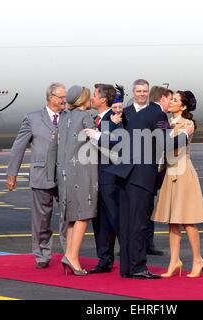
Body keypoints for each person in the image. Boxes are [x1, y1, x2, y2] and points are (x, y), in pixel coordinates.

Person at [107, 86, 194, 279]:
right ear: (163, 98)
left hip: (125, 174)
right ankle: (138, 267)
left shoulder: (140, 114)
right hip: (141, 176)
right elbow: (167, 144)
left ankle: (127, 268)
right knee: (139, 223)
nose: (170, 102)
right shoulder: (159, 116)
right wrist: (185, 135)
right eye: (170, 99)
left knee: (128, 223)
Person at [6, 83, 67, 269]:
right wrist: (12, 174)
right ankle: (41, 254)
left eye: (65, 97)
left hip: (65, 175)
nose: (64, 100)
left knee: (68, 217)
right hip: (41, 174)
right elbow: (19, 146)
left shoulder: (69, 117)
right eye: (61, 97)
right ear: (50, 97)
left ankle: (69, 253)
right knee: (42, 219)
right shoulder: (32, 118)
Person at [152, 91, 203, 278]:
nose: (171, 102)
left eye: (175, 100)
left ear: (183, 107)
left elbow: (173, 147)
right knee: (172, 221)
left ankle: (198, 259)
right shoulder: (168, 123)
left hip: (182, 172)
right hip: (171, 171)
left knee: (187, 220)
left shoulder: (186, 124)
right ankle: (174, 261)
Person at [56, 85, 98, 276]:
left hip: (65, 171)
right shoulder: (85, 117)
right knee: (84, 213)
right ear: (82, 99)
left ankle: (69, 254)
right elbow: (96, 142)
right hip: (83, 170)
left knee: (73, 214)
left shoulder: (64, 117)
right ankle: (72, 256)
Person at [122, 79, 163, 256]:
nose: (142, 94)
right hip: (129, 166)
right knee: (128, 209)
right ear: (133, 93)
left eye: (145, 91)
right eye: (138, 91)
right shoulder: (125, 113)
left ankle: (148, 242)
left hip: (148, 166)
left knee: (148, 207)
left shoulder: (154, 112)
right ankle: (127, 244)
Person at [84, 84, 121, 274]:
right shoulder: (94, 118)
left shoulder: (113, 119)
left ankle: (130, 258)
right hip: (95, 178)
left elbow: (117, 143)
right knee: (99, 221)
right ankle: (104, 259)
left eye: (95, 95)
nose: (91, 98)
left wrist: (97, 135)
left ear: (103, 100)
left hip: (109, 178)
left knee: (116, 220)